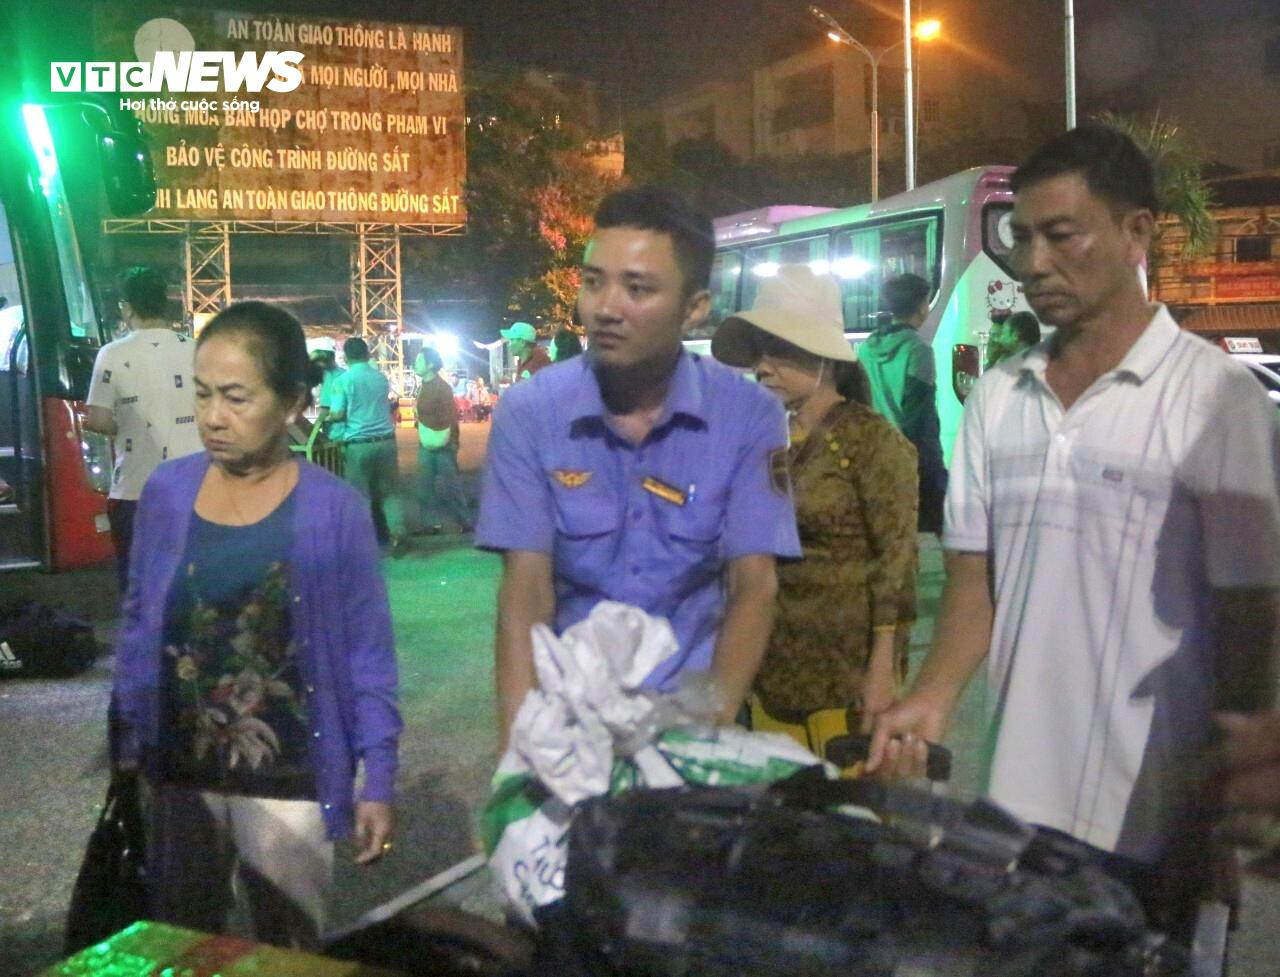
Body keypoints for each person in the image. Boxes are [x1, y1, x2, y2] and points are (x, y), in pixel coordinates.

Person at [868, 125, 1280, 940]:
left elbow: (1249, 619)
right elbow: (974, 580)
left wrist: (1225, 800)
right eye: (1022, 237)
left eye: (1062, 235)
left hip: (1158, 820)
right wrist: (934, 694)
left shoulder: (1215, 400)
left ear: (1137, 234)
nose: (1032, 262)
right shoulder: (997, 399)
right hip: (1014, 812)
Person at [111, 301, 401, 948]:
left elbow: (368, 654)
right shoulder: (166, 491)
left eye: (237, 397)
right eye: (203, 393)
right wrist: (130, 741)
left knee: (288, 950)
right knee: (179, 948)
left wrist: (376, 775)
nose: (213, 417)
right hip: (180, 777)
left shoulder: (335, 510)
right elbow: (139, 620)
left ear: (294, 400)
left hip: (290, 782)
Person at [476, 185, 801, 745]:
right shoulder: (530, 414)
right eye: (594, 281)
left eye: (638, 288)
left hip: (692, 722)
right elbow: (525, 592)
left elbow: (754, 589)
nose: (606, 307)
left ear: (694, 307)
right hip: (569, 729)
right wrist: (519, 754)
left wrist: (701, 734)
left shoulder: (750, 417)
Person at [711, 266, 918, 758]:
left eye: (777, 350)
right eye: (758, 352)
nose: (761, 366)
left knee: (843, 826)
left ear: (821, 353)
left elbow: (897, 565)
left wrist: (882, 671)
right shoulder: (759, 441)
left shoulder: (873, 443)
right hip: (768, 677)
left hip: (842, 683)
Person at [84, 267, 204, 588]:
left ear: (127, 307)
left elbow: (97, 420)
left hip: (137, 491)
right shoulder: (196, 351)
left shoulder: (112, 354)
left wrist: (128, 422)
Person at [859, 273, 947, 534]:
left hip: (875, 455)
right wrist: (932, 469)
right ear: (922, 307)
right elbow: (920, 417)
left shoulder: (866, 348)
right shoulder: (919, 350)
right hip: (907, 460)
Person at [325, 337, 406, 553]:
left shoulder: (342, 381)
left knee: (359, 495)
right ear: (367, 354)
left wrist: (328, 418)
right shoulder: (381, 378)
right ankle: (397, 532)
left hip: (358, 445)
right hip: (386, 441)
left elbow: (339, 413)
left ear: (345, 357)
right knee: (391, 492)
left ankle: (362, 542)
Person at [413, 347, 473, 532]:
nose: (415, 363)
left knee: (451, 486)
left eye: (419, 360)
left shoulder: (441, 388)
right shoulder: (424, 385)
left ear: (430, 364)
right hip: (427, 441)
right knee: (425, 486)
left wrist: (452, 442)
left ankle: (465, 522)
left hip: (443, 444)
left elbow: (450, 418)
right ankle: (430, 524)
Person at [310, 347, 346, 443]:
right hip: (347, 431)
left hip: (337, 434)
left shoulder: (331, 377)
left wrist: (313, 431)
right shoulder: (344, 373)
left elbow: (326, 409)